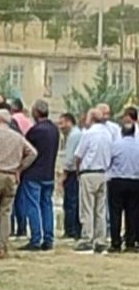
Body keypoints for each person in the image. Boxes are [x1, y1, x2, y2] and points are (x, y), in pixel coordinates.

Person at [0, 109, 38, 259]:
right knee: (6, 213)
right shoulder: (18, 136)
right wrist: (20, 168)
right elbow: (33, 153)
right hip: (11, 177)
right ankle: (3, 247)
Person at [19, 100, 59, 252]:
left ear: (36, 112)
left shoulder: (35, 131)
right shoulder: (54, 130)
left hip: (34, 174)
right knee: (47, 206)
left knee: (33, 206)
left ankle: (36, 238)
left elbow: (26, 150)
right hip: (49, 173)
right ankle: (48, 238)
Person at [75, 109, 113, 255]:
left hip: (89, 172)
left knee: (87, 208)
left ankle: (87, 239)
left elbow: (78, 155)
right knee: (100, 210)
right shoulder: (108, 134)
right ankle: (100, 240)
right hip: (103, 172)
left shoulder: (88, 133)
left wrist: (78, 171)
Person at [107, 122, 139, 252]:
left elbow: (108, 162)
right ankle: (131, 242)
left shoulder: (115, 145)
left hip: (117, 181)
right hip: (135, 182)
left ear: (122, 133)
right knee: (133, 212)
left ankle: (116, 242)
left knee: (115, 213)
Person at [58, 113, 82, 240]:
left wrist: (64, 173)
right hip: (74, 172)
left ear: (69, 122)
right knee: (72, 201)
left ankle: (71, 229)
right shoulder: (74, 135)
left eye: (62, 123)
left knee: (71, 202)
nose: (60, 127)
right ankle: (73, 228)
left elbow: (71, 157)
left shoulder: (73, 136)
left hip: (72, 173)